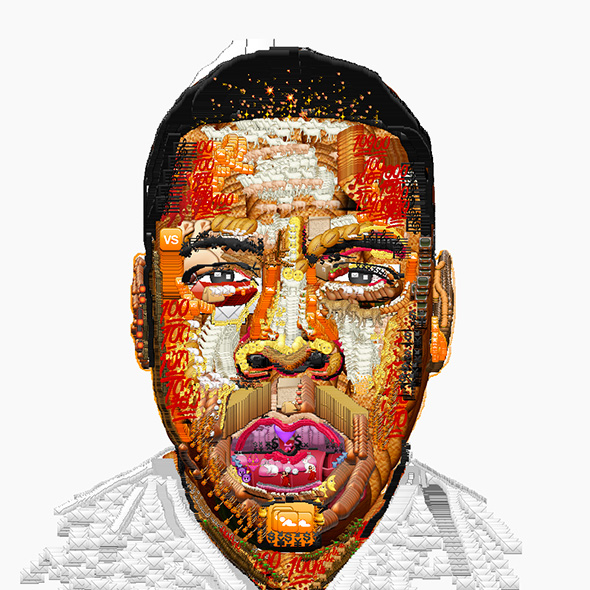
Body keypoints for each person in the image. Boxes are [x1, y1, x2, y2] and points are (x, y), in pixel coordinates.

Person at [22, 47, 520, 590]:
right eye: (219, 275)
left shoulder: (519, 568)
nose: (287, 343)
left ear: (437, 316)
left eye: (359, 275)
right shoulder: (53, 570)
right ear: (145, 315)